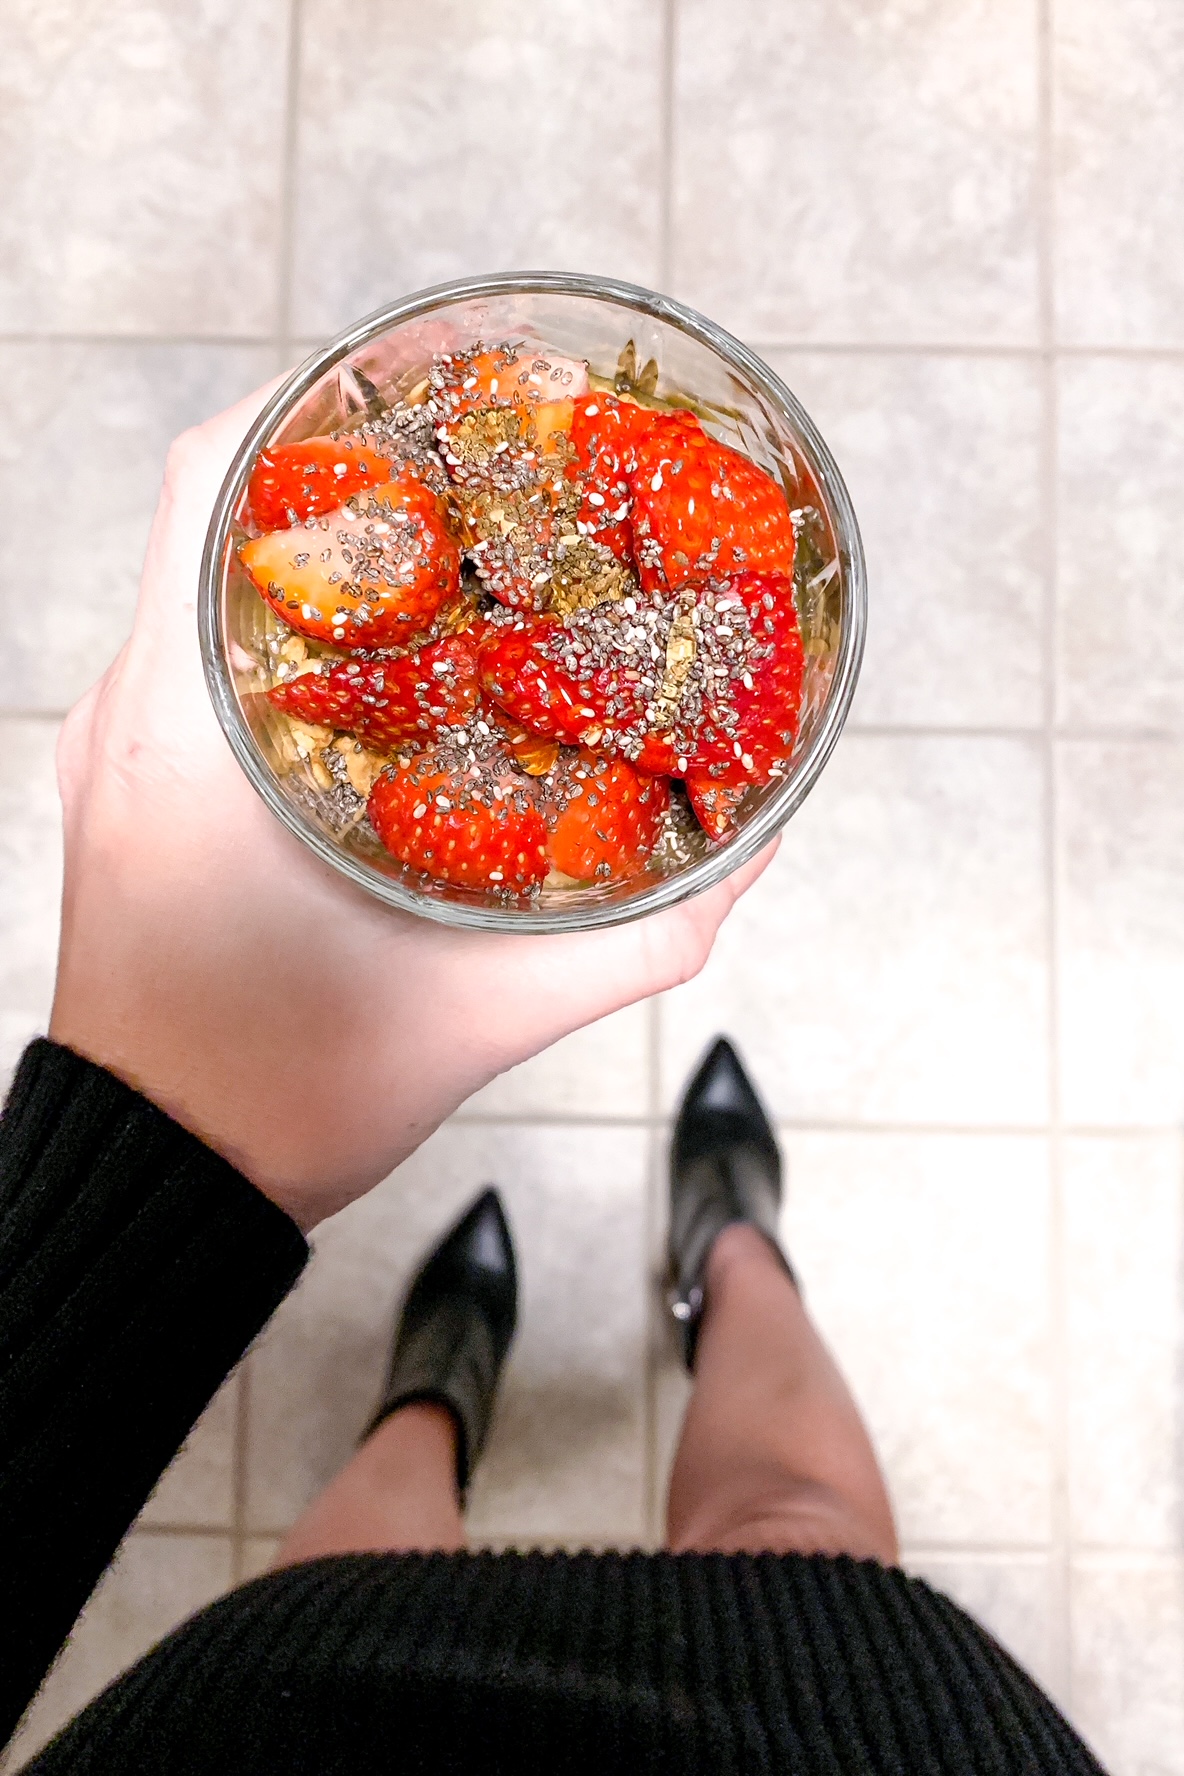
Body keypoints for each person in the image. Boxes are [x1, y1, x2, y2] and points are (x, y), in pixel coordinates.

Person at [0, 385, 1104, 1773]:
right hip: (829, 1732)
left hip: (307, 1728)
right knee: (795, 1525)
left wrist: (143, 1146)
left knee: (350, 1579)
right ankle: (732, 1249)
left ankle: (439, 1397)